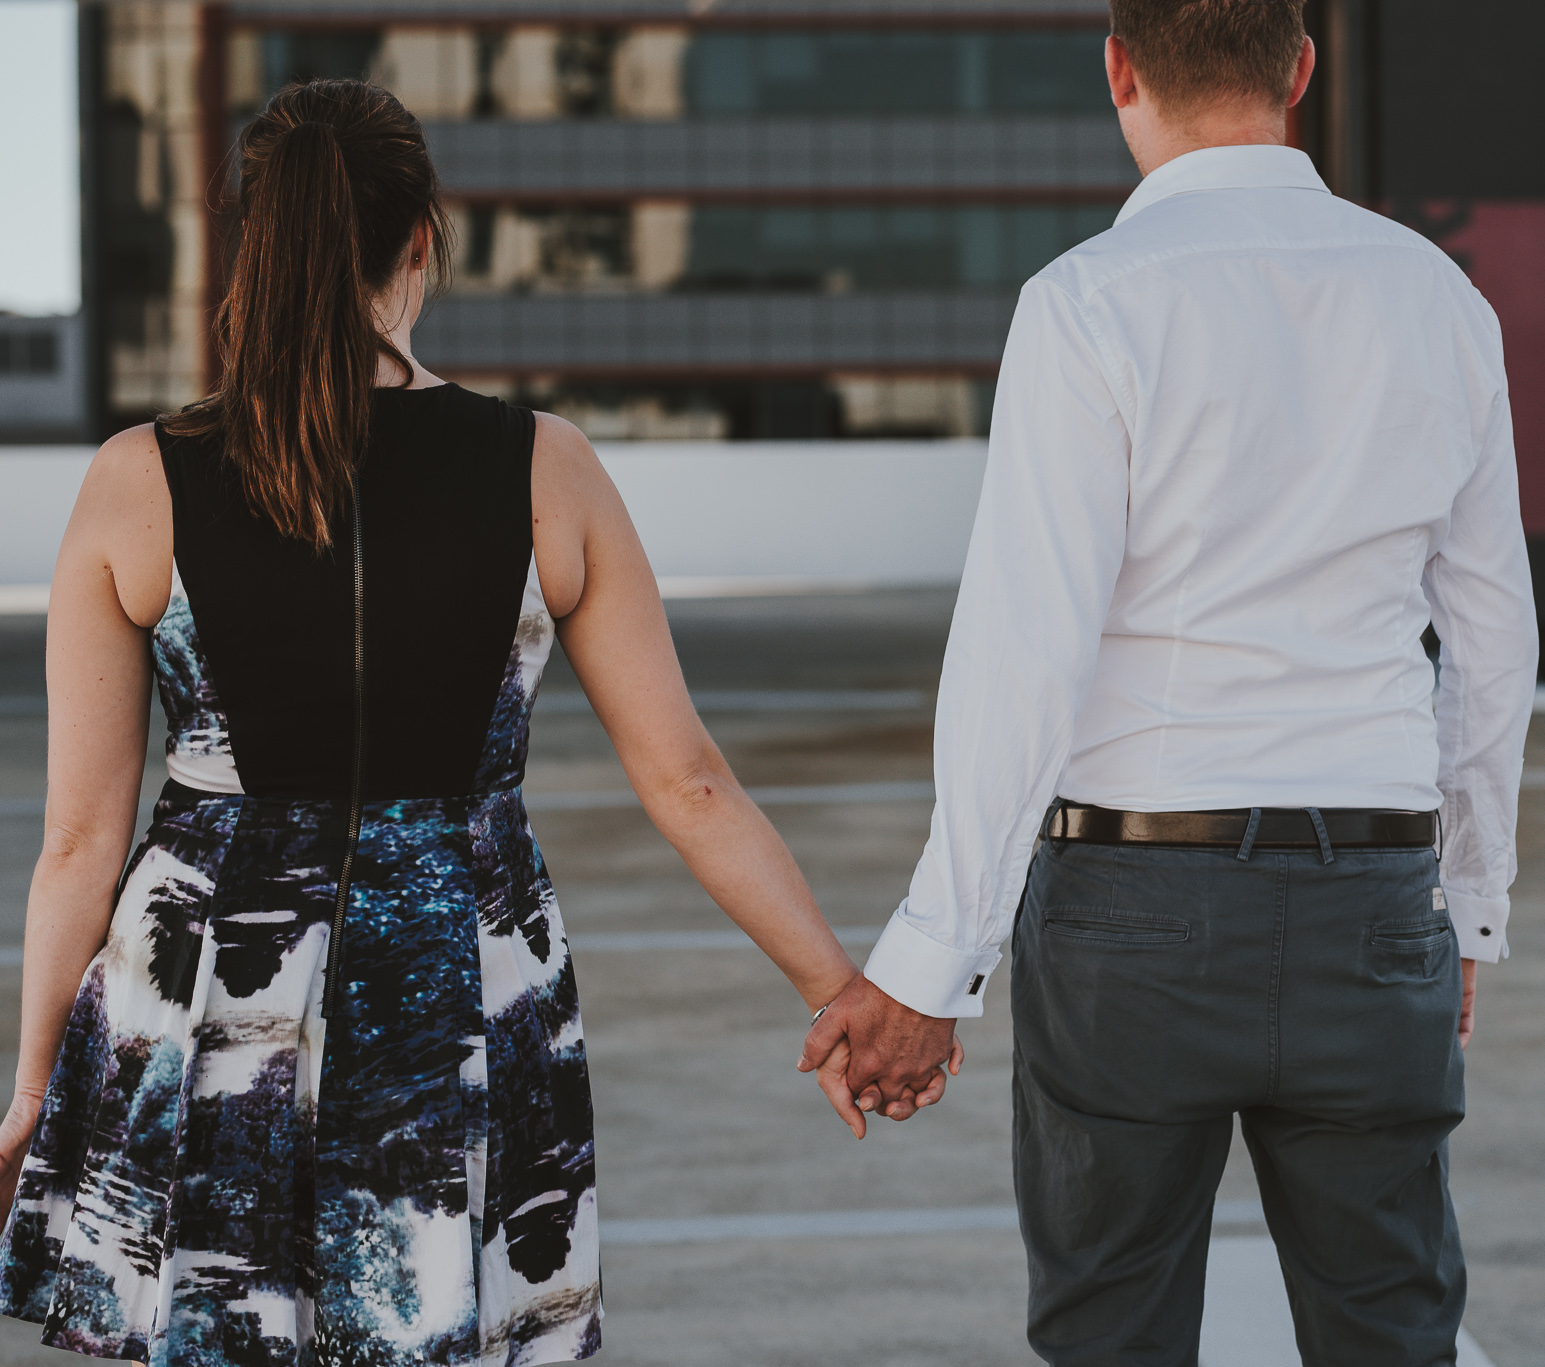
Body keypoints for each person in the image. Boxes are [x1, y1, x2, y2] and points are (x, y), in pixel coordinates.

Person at [0, 79, 939, 1367]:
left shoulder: (133, 482)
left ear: (247, 248)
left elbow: (78, 839)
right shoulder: (545, 468)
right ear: (421, 244)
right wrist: (842, 992)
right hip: (465, 973)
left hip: (211, 986)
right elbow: (689, 783)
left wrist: (34, 1090)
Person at [801, 1, 1540, 1361]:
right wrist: (1470, 905)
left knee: (1113, 1334)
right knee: (1393, 1333)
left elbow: (1028, 651)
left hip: (1132, 913)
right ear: (1303, 72)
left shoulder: (1089, 303)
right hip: (1373, 903)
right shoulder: (1438, 296)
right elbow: (1493, 636)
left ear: (1118, 69)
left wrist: (932, 962)